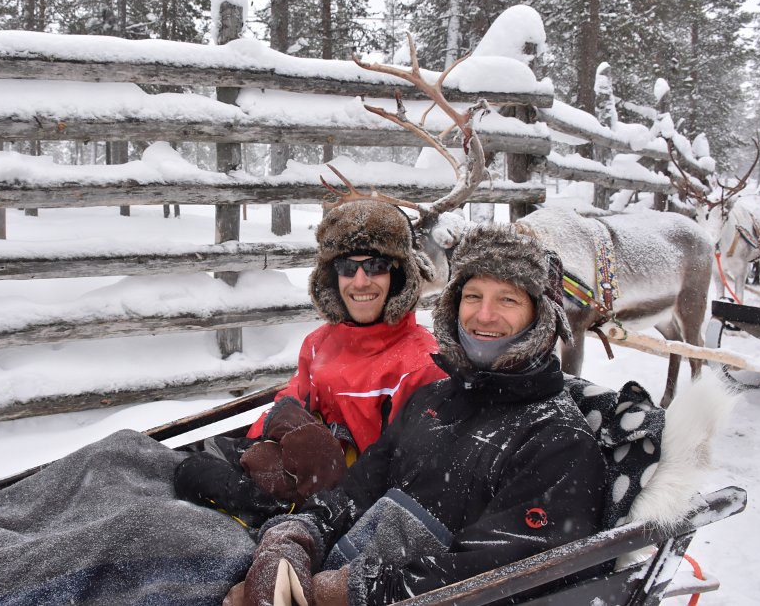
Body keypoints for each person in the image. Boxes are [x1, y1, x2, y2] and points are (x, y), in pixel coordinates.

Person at [225, 223, 608, 606]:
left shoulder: (558, 440)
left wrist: (330, 594)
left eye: (508, 299)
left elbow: (497, 575)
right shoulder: (433, 400)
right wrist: (295, 537)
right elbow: (355, 492)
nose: (484, 315)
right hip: (347, 568)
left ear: (541, 317)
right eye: (473, 296)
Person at [175, 199, 446, 521]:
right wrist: (255, 451)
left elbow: (405, 475)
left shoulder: (419, 365)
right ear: (332, 275)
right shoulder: (319, 343)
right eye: (347, 267)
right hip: (291, 476)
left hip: (342, 506)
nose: (360, 282)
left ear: (399, 274)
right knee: (180, 469)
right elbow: (288, 404)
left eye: (376, 266)